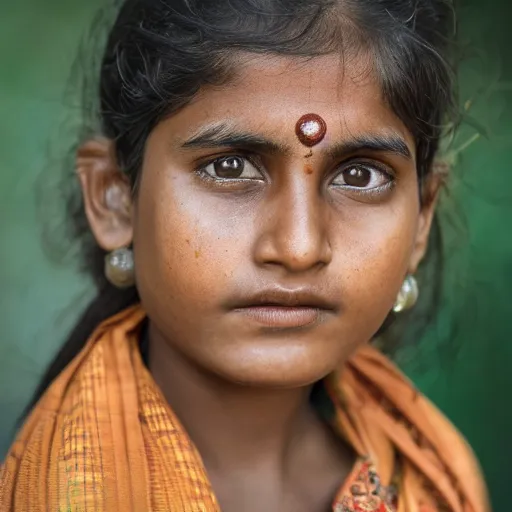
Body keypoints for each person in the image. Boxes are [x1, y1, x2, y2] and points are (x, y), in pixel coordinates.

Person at [0, 0, 491, 510]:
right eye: (230, 166)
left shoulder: (435, 481)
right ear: (114, 197)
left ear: (421, 219)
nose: (299, 248)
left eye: (360, 175)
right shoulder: (54, 495)